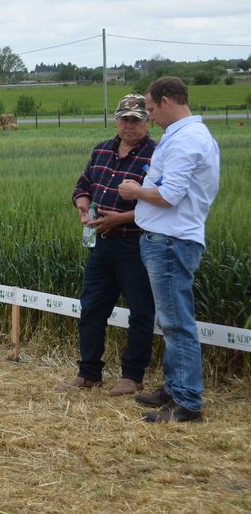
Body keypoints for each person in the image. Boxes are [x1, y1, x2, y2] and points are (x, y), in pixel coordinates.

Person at [119, 76, 220, 423]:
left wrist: (135, 191)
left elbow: (168, 196)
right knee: (171, 319)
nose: (150, 116)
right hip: (171, 238)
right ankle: (175, 388)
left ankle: (187, 401)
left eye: (149, 109)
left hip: (170, 241)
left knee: (177, 323)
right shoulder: (187, 136)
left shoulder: (185, 141)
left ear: (166, 101)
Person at [58, 94, 157, 396]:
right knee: (91, 308)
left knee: (141, 312)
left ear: (147, 121)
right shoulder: (102, 149)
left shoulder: (157, 154)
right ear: (116, 120)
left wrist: (121, 219)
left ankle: (132, 377)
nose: (129, 125)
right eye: (124, 119)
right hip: (101, 244)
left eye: (136, 119)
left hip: (136, 245)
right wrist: (82, 203)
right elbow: (83, 184)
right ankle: (88, 373)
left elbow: (162, 202)